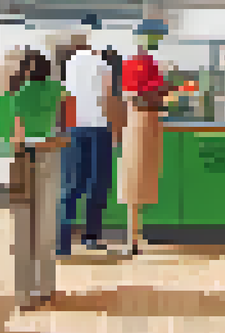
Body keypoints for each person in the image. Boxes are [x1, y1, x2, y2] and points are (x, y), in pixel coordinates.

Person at [0, 49, 65, 310]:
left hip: (21, 162)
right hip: (49, 158)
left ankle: (24, 294)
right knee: (45, 225)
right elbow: (67, 130)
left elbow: (5, 136)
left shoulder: (11, 97)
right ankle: (46, 287)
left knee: (23, 229)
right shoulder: (57, 91)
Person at [60, 41, 118, 254]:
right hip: (99, 128)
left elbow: (67, 98)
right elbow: (108, 98)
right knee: (97, 184)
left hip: (75, 128)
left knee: (72, 184)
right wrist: (116, 129)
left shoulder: (70, 64)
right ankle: (91, 237)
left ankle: (62, 241)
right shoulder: (102, 65)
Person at [119, 19, 170, 257]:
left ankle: (135, 238)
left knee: (142, 182)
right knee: (134, 184)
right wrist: (160, 91)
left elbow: (149, 94)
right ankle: (132, 239)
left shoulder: (150, 63)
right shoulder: (132, 64)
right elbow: (135, 97)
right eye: (155, 37)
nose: (156, 42)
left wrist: (162, 90)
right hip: (138, 124)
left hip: (148, 123)